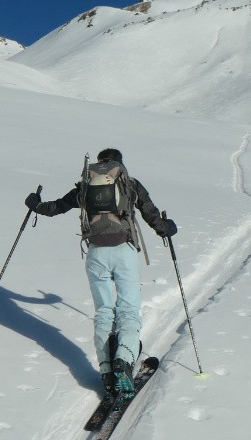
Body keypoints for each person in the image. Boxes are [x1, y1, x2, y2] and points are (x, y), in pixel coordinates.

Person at [25, 148, 177, 409]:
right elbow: (150, 214)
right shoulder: (129, 183)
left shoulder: (86, 186)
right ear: (119, 164)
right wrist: (167, 228)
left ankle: (107, 371)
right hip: (124, 251)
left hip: (96, 253)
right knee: (128, 308)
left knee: (104, 310)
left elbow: (55, 208)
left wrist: (34, 204)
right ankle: (124, 361)